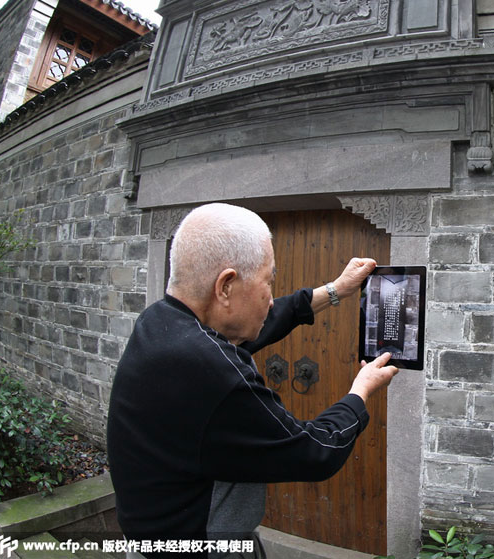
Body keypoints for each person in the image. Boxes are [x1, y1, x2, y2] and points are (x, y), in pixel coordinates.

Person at [106, 203, 398, 558]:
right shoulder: (212, 370)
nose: (271, 298)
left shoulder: (161, 322)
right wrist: (361, 390)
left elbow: (255, 326)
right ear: (226, 286)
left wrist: (336, 290)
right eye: (268, 281)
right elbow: (315, 452)